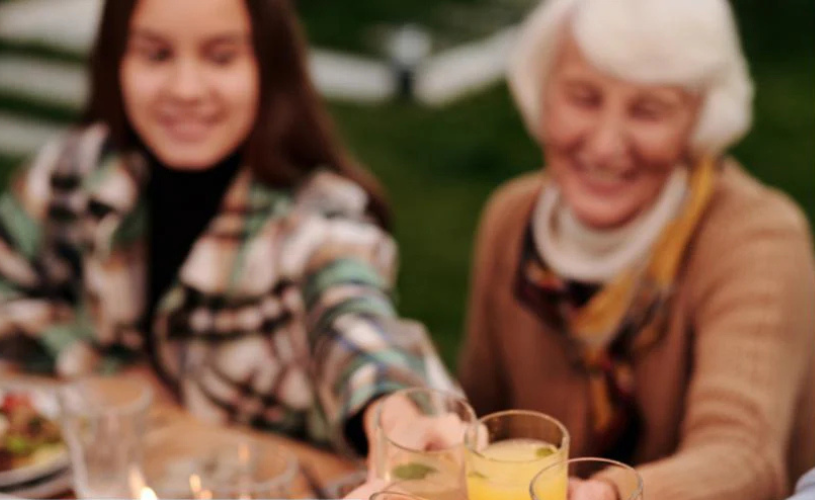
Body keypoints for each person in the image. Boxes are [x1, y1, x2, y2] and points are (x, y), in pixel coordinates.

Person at [0, 0, 456, 456]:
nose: (186, 88)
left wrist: (392, 411)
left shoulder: (318, 221)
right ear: (115, 59)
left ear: (270, 65)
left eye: (221, 57)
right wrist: (108, 370)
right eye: (157, 55)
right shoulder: (74, 172)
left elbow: (352, 318)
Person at [457, 0, 815, 499]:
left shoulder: (758, 239)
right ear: (543, 95)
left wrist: (613, 493)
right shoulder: (511, 219)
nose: (605, 145)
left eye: (648, 111)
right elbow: (482, 421)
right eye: (583, 98)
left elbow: (745, 459)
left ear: (699, 118)